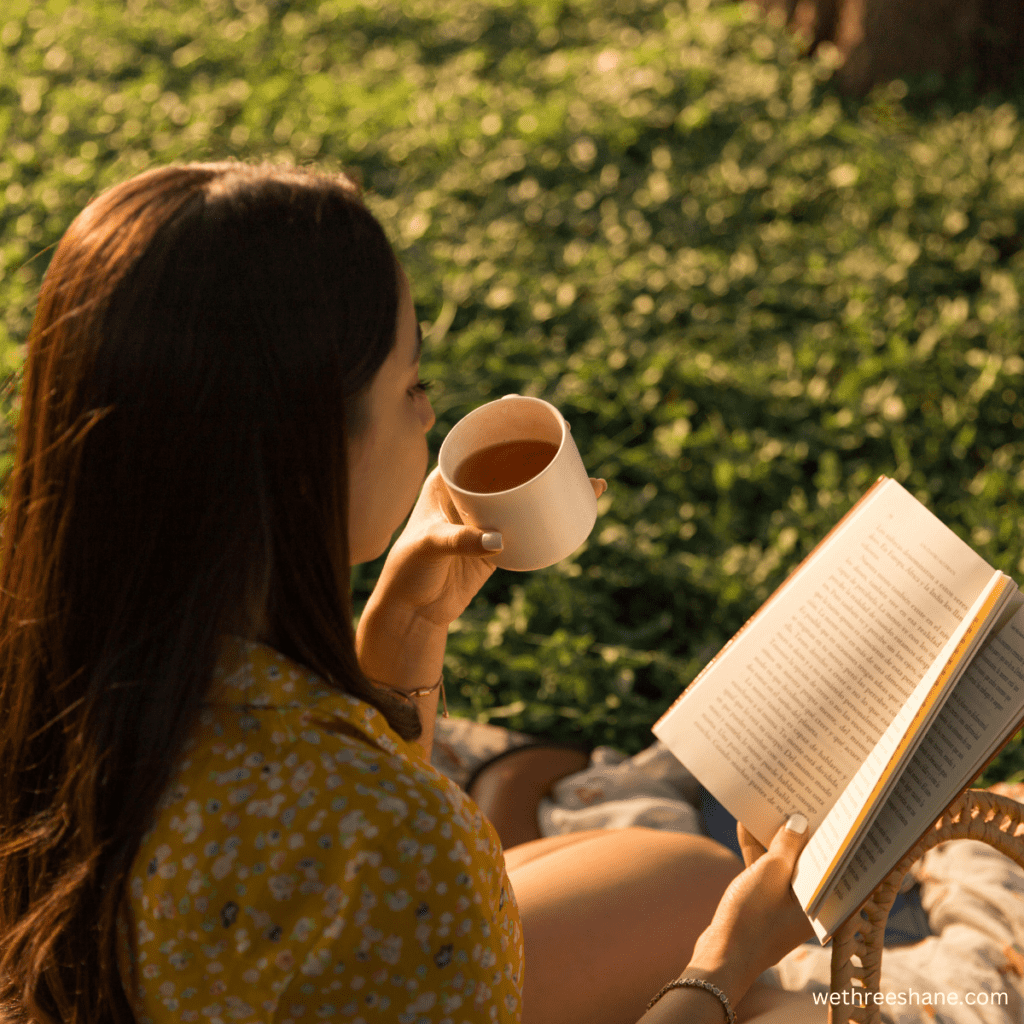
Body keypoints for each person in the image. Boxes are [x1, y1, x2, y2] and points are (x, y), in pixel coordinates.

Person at [0, 161, 825, 1024]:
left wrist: (405, 628)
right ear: (311, 451)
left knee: (688, 881)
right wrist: (724, 973)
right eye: (410, 385)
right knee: (783, 1005)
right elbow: (369, 842)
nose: (428, 417)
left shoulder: (63, 680)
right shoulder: (393, 841)